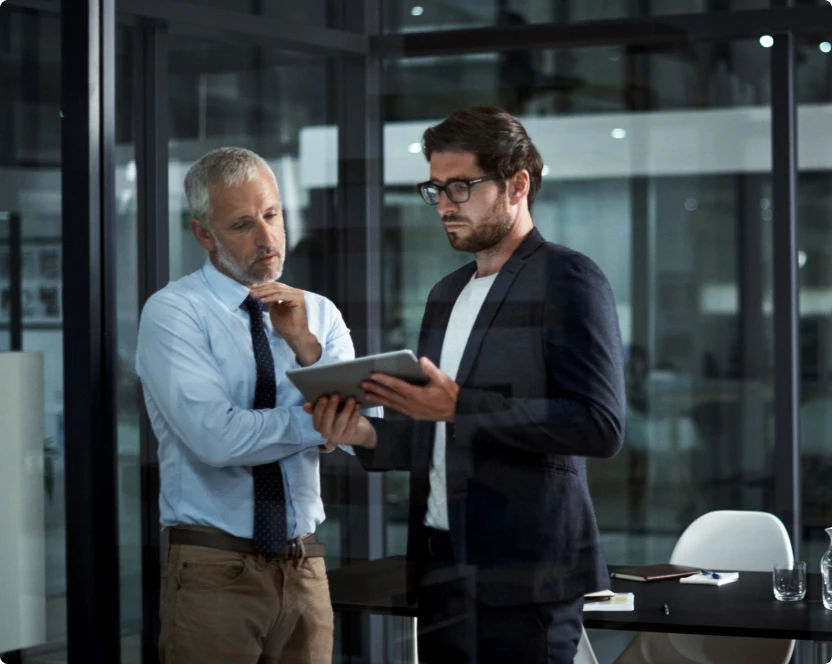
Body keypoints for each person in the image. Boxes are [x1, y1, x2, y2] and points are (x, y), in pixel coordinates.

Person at [306, 107, 626, 663]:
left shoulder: (567, 278)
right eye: (436, 189)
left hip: (525, 578)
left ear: (517, 184)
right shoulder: (445, 294)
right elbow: (435, 435)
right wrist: (362, 433)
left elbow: (600, 426)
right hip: (440, 569)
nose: (445, 205)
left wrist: (459, 405)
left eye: (461, 186)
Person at [136, 147, 377, 664]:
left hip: (306, 563)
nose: (267, 238)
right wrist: (322, 423)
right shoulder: (175, 313)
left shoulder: (320, 313)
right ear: (205, 234)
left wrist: (306, 348)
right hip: (215, 567)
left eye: (272, 215)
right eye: (243, 224)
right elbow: (218, 439)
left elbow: (368, 433)